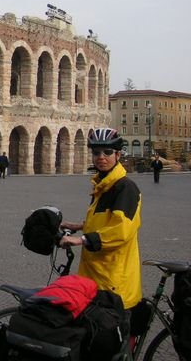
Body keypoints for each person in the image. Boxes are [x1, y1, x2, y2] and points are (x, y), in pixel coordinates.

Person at [60, 128, 142, 311]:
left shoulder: (125, 188)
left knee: (111, 334)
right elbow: (106, 221)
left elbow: (120, 231)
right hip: (96, 274)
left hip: (113, 279)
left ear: (118, 154)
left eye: (108, 152)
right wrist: (80, 226)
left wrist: (80, 240)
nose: (101, 157)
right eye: (96, 152)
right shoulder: (102, 186)